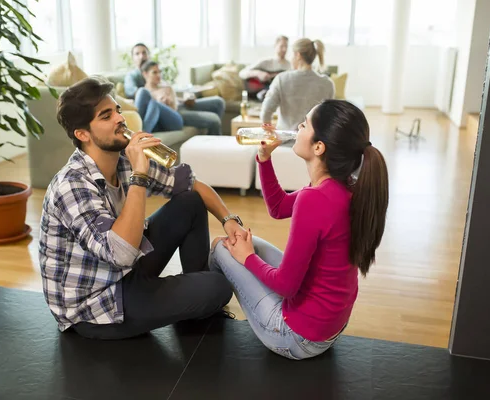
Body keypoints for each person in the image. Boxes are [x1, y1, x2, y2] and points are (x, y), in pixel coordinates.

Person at [40, 76, 247, 340]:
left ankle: (194, 300)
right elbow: (121, 253)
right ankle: (195, 298)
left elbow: (192, 185)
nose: (119, 118)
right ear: (82, 134)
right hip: (96, 306)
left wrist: (229, 220)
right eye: (106, 116)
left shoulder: (123, 160)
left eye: (117, 110)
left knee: (189, 201)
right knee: (218, 287)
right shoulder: (72, 185)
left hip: (123, 271)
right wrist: (140, 174)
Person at [210, 100, 389, 360]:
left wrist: (247, 258)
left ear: (319, 146)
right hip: (328, 327)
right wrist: (264, 158)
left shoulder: (314, 199)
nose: (298, 127)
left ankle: (206, 322)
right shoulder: (343, 186)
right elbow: (279, 207)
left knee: (220, 247)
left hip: (296, 337)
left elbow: (285, 286)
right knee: (249, 243)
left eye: (305, 124)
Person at [124, 43, 226, 135]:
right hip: (171, 110)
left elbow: (172, 90)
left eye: (144, 53)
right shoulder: (133, 77)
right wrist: (157, 96)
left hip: (179, 103)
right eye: (137, 54)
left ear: (149, 55)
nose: (142, 56)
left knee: (218, 102)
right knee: (214, 120)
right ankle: (140, 132)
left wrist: (185, 96)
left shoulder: (155, 71)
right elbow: (137, 96)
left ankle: (210, 139)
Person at [261, 38, 334, 131]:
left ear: (298, 55)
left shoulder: (281, 79)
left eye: (292, 55)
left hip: (284, 143)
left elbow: (265, 112)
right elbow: (330, 119)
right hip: (313, 144)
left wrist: (270, 135)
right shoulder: (327, 83)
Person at [134, 61, 184, 133]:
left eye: (159, 72)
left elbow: (175, 108)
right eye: (154, 72)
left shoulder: (166, 88)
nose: (159, 75)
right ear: (145, 74)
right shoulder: (143, 95)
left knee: (154, 104)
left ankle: (143, 134)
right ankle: (137, 130)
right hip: (156, 125)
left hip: (174, 121)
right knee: (142, 91)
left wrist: (167, 103)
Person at [239, 35, 291, 101]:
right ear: (275, 46)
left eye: (286, 46)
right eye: (282, 46)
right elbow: (242, 73)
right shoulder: (265, 62)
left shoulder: (290, 65)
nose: (284, 49)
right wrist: (258, 73)